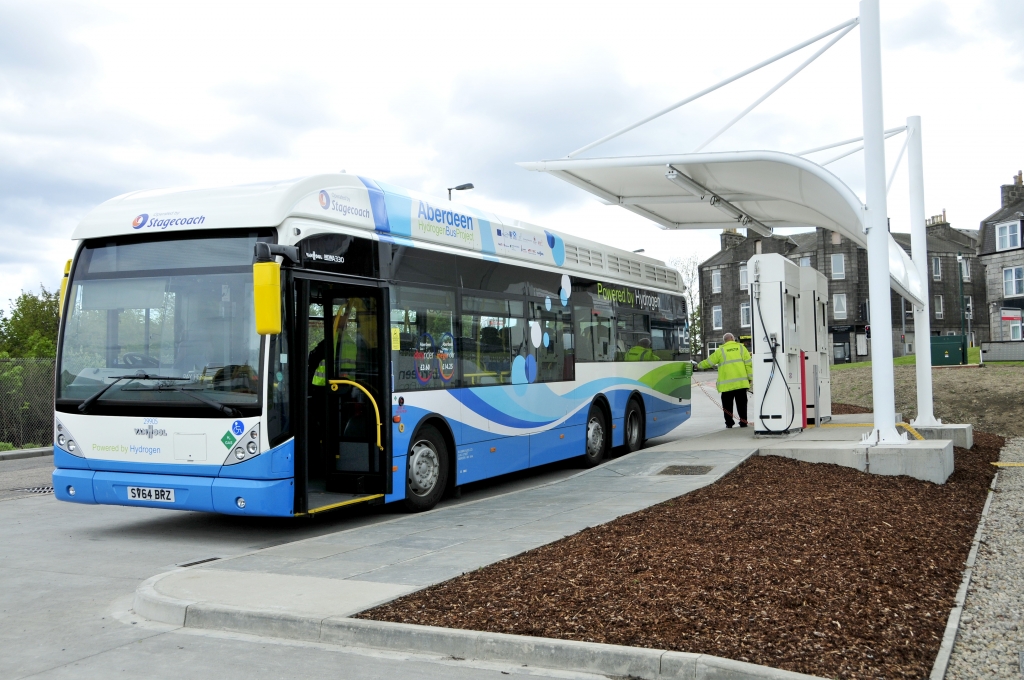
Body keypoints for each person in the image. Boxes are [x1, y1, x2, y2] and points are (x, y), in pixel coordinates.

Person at [697, 332, 753, 428]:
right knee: (742, 405)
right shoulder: (741, 348)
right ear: (733, 338)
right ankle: (743, 422)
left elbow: (709, 362)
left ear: (725, 340)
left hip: (727, 386)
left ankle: (729, 423)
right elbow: (748, 364)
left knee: (727, 406)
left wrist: (697, 365)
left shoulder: (720, 351)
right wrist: (750, 379)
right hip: (741, 384)